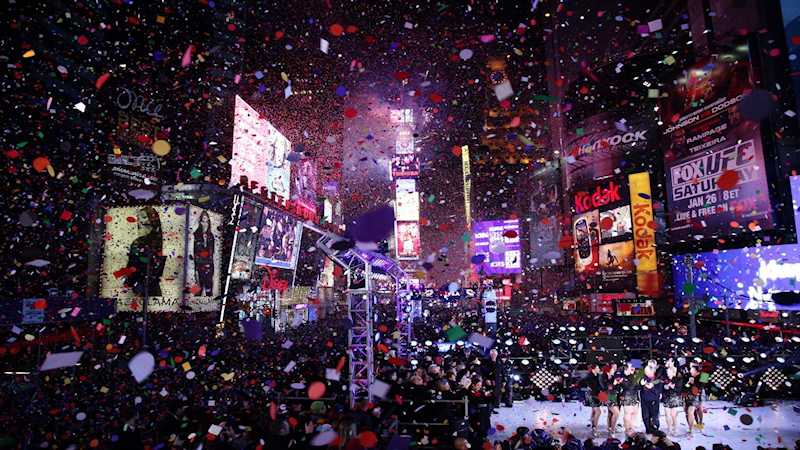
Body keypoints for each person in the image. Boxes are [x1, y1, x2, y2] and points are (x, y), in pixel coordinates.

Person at [124, 206, 166, 298]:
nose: (140, 222)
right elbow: (131, 264)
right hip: (136, 289)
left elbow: (157, 267)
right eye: (138, 219)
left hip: (150, 289)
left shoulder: (160, 242)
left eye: (143, 218)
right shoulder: (136, 243)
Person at [579, 364, 606, 438]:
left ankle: (593, 426)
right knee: (598, 411)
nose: (599, 369)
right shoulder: (589, 377)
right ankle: (595, 428)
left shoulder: (597, 376)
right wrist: (587, 388)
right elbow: (581, 383)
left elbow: (600, 385)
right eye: (597, 368)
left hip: (597, 395)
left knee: (595, 411)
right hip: (592, 396)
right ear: (594, 369)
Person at [193, 210, 215, 296]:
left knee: (209, 290)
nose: (205, 224)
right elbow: (194, 252)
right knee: (197, 291)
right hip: (198, 266)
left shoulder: (211, 236)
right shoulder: (196, 234)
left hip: (209, 266)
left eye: (207, 221)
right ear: (200, 222)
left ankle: (209, 306)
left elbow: (211, 253)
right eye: (203, 221)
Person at [640, 359, 662, 435]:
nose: (646, 372)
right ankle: (648, 430)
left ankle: (655, 431)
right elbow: (637, 387)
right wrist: (641, 385)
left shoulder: (657, 379)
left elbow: (658, 391)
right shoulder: (643, 378)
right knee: (645, 416)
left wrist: (651, 387)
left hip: (654, 401)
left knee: (654, 417)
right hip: (644, 401)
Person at [662, 358, 683, 436]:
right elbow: (662, 381)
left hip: (675, 395)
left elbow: (679, 385)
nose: (667, 362)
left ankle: (675, 428)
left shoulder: (678, 372)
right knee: (667, 413)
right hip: (666, 394)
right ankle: (669, 429)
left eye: (669, 361)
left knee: (673, 414)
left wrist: (673, 386)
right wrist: (665, 386)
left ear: (673, 362)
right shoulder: (665, 371)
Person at [619, 362, 641, 436]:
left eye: (633, 367)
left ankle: (631, 428)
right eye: (631, 367)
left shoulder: (635, 375)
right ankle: (627, 429)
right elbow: (629, 387)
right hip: (627, 396)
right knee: (628, 413)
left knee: (634, 413)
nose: (633, 368)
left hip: (635, 396)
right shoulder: (623, 376)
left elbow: (638, 387)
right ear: (626, 368)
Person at [684, 364, 704, 436]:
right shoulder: (688, 376)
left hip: (698, 395)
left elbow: (701, 387)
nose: (690, 371)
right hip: (688, 395)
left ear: (697, 371)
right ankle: (691, 429)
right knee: (689, 412)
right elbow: (685, 386)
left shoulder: (704, 375)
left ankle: (700, 423)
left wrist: (694, 383)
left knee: (698, 409)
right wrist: (688, 383)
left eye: (692, 370)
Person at [604, 363, 621, 436]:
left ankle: (610, 428)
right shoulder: (605, 378)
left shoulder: (615, 376)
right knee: (616, 413)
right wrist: (614, 384)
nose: (615, 369)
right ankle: (612, 430)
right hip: (609, 397)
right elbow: (607, 388)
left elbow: (616, 388)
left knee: (611, 413)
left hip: (615, 396)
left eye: (616, 367)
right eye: (613, 368)